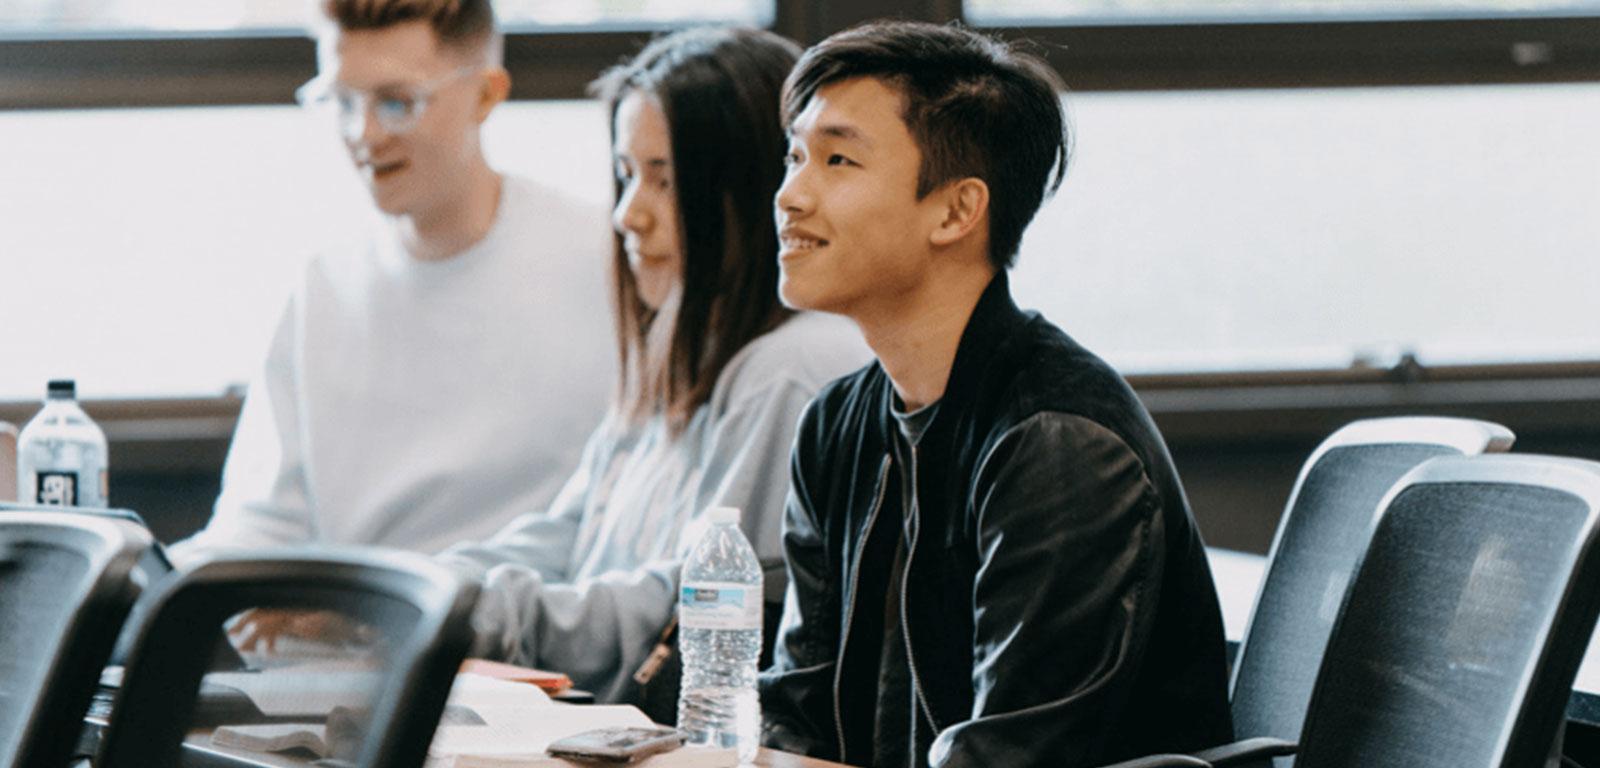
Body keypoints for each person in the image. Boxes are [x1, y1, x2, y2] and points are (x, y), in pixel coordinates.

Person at [758, 21, 1233, 768]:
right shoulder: (837, 425)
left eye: (837, 159)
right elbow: (792, 716)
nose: (790, 195)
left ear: (955, 211)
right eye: (794, 157)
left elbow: (1013, 754)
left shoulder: (1058, 443)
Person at [433, 27, 870, 705]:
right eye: (625, 174)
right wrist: (423, 589)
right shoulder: (683, 348)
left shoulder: (794, 367)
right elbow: (569, 535)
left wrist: (467, 615)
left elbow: (686, 606)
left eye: (664, 182)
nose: (627, 214)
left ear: (754, 188)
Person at [170, 0, 615, 564]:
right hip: (333, 642)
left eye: (398, 102)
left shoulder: (602, 261)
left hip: (519, 638)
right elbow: (261, 523)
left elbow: (614, 525)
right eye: (342, 102)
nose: (365, 134)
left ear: (485, 95)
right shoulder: (323, 287)